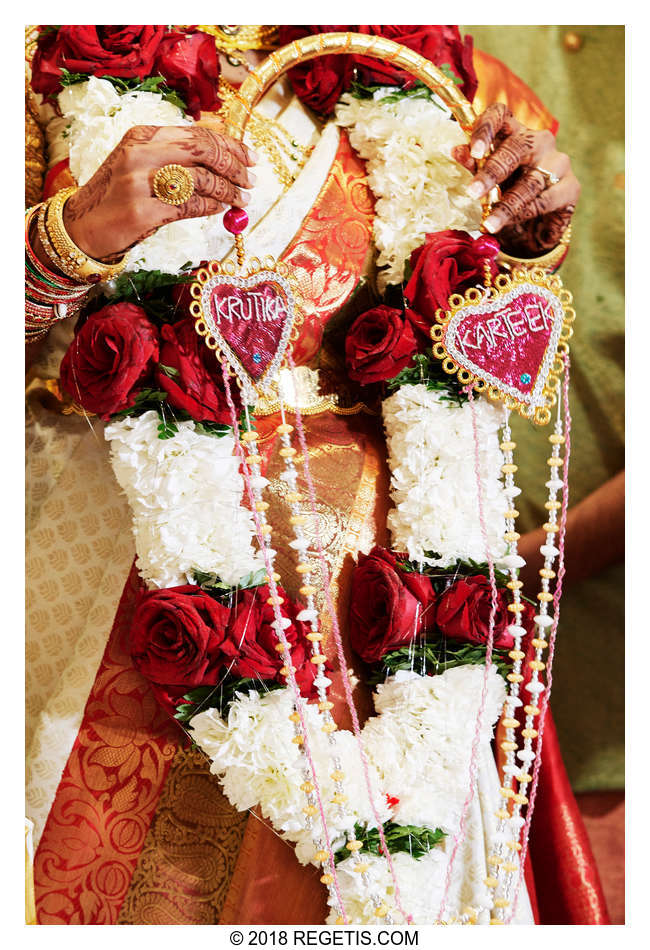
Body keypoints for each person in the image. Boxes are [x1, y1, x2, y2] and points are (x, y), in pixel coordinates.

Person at [26, 25, 605, 925]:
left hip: (384, 619)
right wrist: (68, 239)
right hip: (138, 575)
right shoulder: (35, 57)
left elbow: (469, 340)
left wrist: (522, 245)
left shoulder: (440, 75)